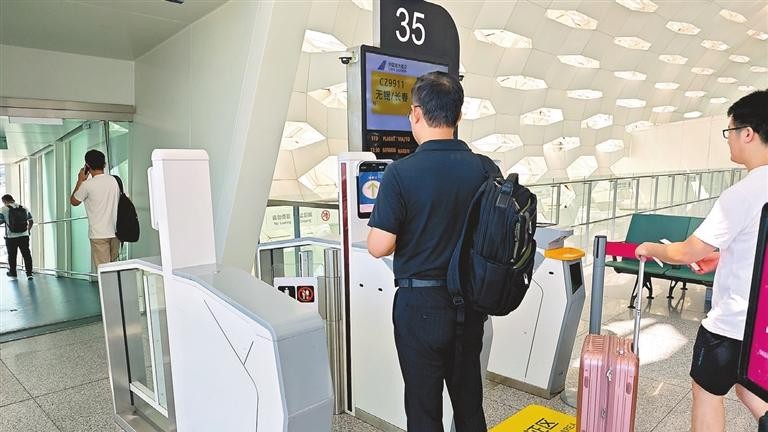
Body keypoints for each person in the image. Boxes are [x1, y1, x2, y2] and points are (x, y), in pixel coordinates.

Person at [367, 71, 500, 432]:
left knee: (424, 412)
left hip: (419, 309)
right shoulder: (486, 169)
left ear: (415, 113)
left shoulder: (401, 173)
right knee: (470, 406)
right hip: (470, 304)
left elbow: (379, 246)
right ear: (458, 116)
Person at [635, 90, 768, 432]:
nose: (729, 141)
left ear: (748, 133)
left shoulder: (743, 193)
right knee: (746, 384)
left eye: (730, 132)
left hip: (734, 323)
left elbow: (685, 252)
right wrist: (723, 257)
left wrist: (650, 248)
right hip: (762, 326)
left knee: (707, 391)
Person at [70, 149, 121, 270]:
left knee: (104, 271)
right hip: (116, 232)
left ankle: (108, 289)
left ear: (87, 166)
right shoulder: (114, 180)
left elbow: (74, 201)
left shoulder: (87, 185)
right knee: (114, 269)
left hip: (99, 235)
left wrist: (80, 180)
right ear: (104, 164)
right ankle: (115, 289)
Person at [0, 194, 33, 280]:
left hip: (11, 237)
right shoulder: (24, 208)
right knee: (26, 254)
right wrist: (28, 231)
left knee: (12, 255)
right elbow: (31, 221)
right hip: (24, 235)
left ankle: (13, 273)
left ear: (4, 201)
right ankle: (29, 274)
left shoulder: (3, 209)